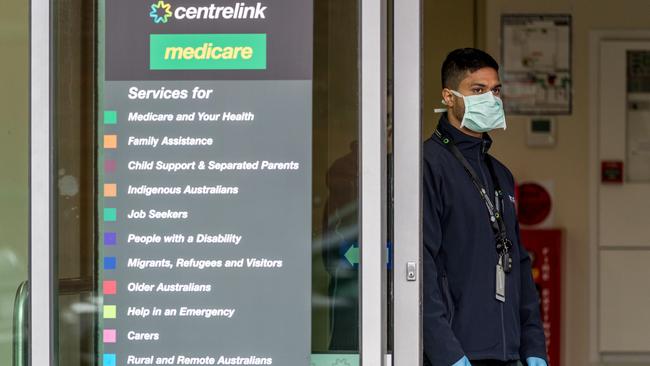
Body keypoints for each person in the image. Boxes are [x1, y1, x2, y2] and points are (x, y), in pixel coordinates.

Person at [423, 48, 548, 366]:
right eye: (478, 90)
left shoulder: (500, 174)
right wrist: (446, 354)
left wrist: (534, 347)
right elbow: (420, 265)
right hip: (456, 353)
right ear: (449, 97)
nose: (491, 99)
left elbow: (518, 262)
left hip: (507, 353)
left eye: (496, 90)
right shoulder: (427, 165)